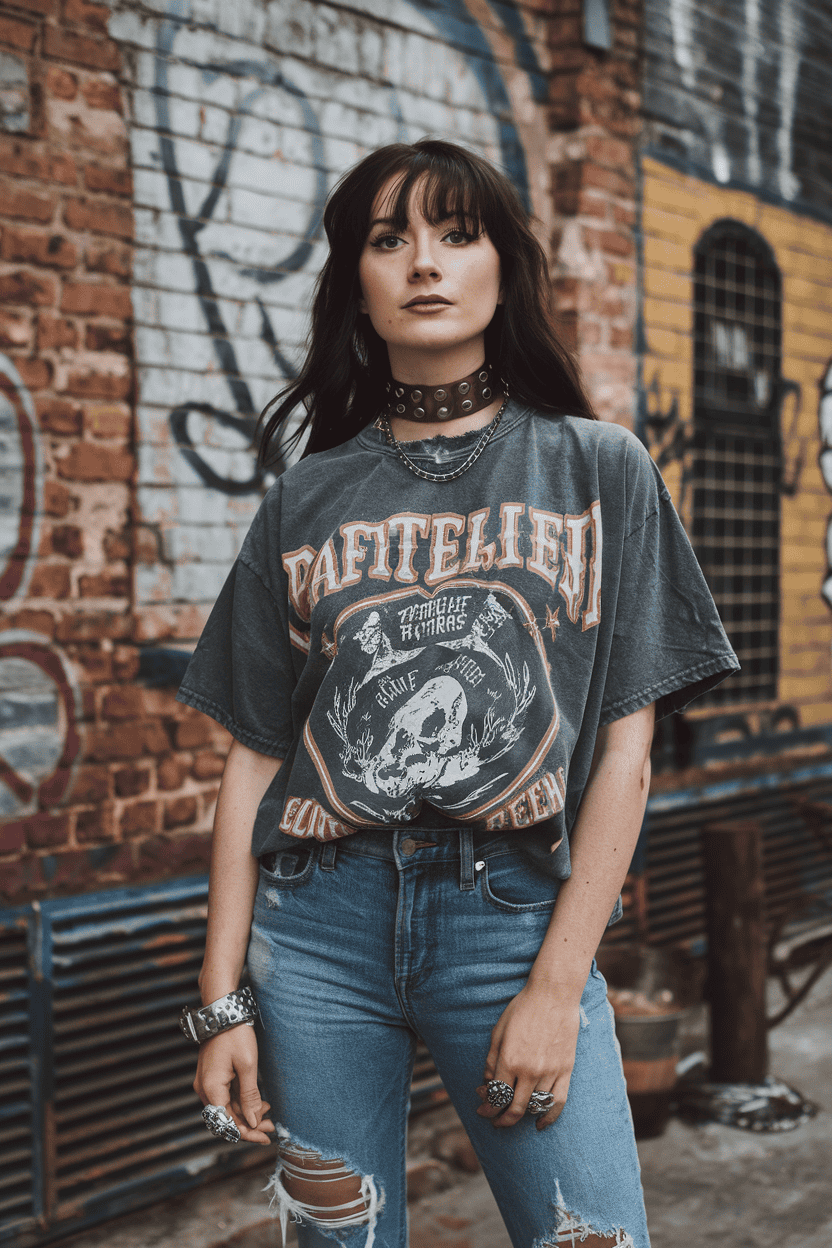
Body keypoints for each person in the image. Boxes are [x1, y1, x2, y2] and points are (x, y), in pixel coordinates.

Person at [176, 139, 739, 1248]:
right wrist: (223, 1002)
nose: (422, 263)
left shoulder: (597, 468)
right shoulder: (304, 498)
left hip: (513, 922)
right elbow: (252, 759)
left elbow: (624, 757)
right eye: (389, 240)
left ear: (500, 269)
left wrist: (555, 985)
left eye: (454, 232)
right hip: (320, 934)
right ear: (357, 285)